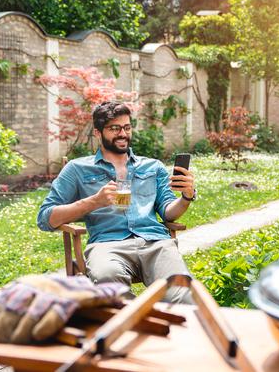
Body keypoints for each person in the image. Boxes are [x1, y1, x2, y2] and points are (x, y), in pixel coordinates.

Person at [37, 102, 196, 303]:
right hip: (107, 245)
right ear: (97, 132)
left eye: (127, 127)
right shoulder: (77, 169)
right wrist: (94, 201)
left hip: (156, 243)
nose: (123, 133)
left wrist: (186, 197)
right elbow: (45, 218)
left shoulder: (153, 166)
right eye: (114, 128)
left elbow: (168, 212)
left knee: (182, 294)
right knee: (111, 289)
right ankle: (135, 326)